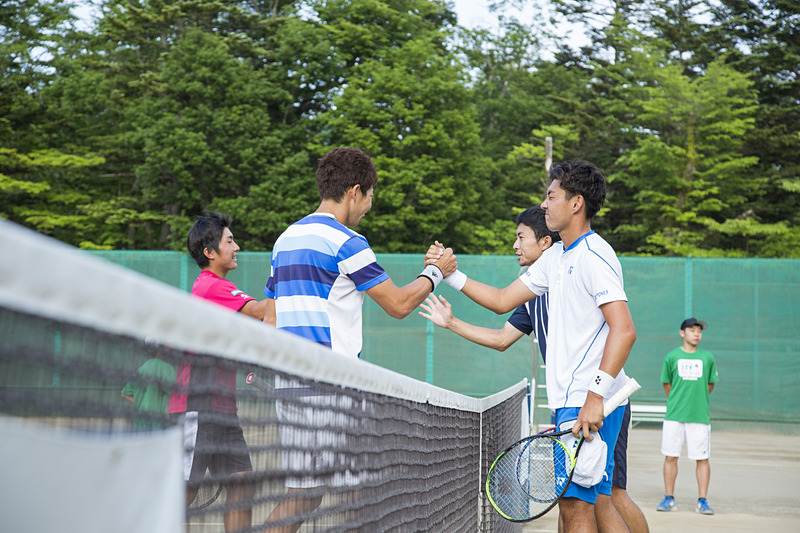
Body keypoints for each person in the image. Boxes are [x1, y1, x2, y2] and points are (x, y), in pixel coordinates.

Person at [426, 160, 637, 533]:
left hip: (586, 398)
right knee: (595, 504)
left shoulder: (594, 255)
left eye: (551, 195)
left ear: (575, 204)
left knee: (575, 508)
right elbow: (504, 298)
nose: (544, 203)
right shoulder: (557, 256)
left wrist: (593, 397)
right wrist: (450, 274)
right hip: (575, 399)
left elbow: (624, 331)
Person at [262, 147, 457, 533]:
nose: (368, 206)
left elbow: (270, 316)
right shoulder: (348, 241)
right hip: (334, 388)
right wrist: (435, 272)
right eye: (369, 196)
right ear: (354, 191)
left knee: (303, 495)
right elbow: (399, 305)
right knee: (363, 499)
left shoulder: (285, 239)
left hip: (289, 387)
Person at [170, 211, 267, 533]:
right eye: (229, 241)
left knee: (241, 485)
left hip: (223, 408)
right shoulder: (211, 287)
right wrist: (297, 285)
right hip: (197, 404)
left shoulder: (221, 290)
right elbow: (261, 311)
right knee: (183, 492)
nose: (237, 247)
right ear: (210, 252)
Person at [657, 317, 718, 516]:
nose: (696, 333)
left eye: (699, 330)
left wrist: (695, 401)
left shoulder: (707, 357)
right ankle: (669, 498)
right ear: (682, 333)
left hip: (699, 417)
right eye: (692, 330)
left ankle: (702, 501)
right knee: (671, 456)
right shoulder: (671, 357)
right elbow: (667, 384)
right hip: (674, 415)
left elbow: (709, 385)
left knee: (702, 458)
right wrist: (679, 401)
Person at [121, 339, 176, 430]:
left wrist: (142, 403)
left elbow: (124, 394)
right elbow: (175, 395)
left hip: (139, 419)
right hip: (156, 421)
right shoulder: (168, 369)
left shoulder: (142, 368)